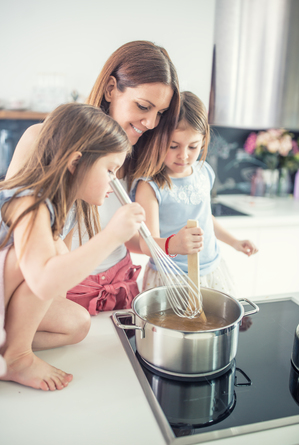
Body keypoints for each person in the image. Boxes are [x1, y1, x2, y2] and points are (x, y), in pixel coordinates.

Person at [6, 40, 180, 315]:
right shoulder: (41, 140)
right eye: (143, 106)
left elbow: (136, 236)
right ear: (111, 89)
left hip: (120, 286)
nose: (151, 123)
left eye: (160, 113)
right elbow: (18, 244)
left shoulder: (140, 153)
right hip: (62, 289)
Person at [0, 103, 145, 391]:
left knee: (77, 324)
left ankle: (8, 349)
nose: (113, 182)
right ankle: (17, 357)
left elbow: (55, 289)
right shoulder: (29, 202)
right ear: (76, 162)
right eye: (110, 169)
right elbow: (43, 282)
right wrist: (112, 236)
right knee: (54, 256)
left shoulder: (60, 207)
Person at [130, 91, 258, 295]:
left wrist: (234, 241)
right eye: (173, 146)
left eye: (193, 146)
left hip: (211, 270)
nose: (184, 155)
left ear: (203, 140)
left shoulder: (204, 171)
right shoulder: (150, 186)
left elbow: (205, 219)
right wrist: (174, 244)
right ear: (157, 140)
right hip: (171, 278)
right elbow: (147, 244)